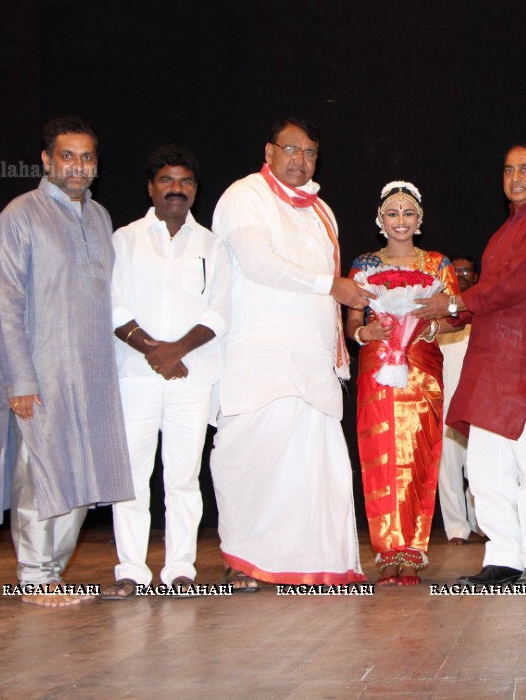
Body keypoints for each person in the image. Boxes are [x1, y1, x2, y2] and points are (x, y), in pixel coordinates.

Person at [211, 117, 373, 588]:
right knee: (252, 462)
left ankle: (315, 563)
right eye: (291, 149)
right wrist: (332, 286)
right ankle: (243, 561)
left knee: (314, 470)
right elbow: (259, 265)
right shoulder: (244, 196)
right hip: (260, 357)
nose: (300, 160)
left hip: (312, 361)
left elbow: (334, 291)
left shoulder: (322, 210)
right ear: (269, 152)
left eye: (310, 153)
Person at [414, 142, 526, 588]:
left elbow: (516, 285)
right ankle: (503, 554)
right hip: (491, 363)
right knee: (486, 467)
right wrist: (446, 316)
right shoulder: (504, 231)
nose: (516, 177)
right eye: (508, 170)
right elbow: (490, 292)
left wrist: (455, 303)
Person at [0, 116, 132, 606]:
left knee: (82, 472)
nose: (78, 166)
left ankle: (53, 571)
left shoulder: (100, 217)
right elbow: (4, 301)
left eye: (87, 157)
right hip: (41, 371)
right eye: (67, 156)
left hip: (92, 371)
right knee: (40, 471)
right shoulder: (20, 215)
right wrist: (19, 378)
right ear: (46, 161)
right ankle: (34, 576)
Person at [102, 145, 231, 599]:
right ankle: (131, 570)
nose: (176, 189)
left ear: (195, 189)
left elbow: (220, 311)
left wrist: (175, 351)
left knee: (181, 477)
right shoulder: (123, 238)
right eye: (166, 180)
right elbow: (111, 302)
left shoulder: (213, 246)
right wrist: (151, 349)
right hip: (134, 376)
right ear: (151, 187)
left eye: (186, 181)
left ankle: (181, 568)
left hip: (191, 378)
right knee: (133, 477)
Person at [345, 181, 459, 586]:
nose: (400, 221)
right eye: (392, 213)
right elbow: (352, 322)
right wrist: (366, 336)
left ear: (420, 220)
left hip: (422, 367)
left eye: (408, 213)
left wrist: (427, 330)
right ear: (380, 220)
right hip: (377, 368)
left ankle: (413, 549)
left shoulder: (438, 265)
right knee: (379, 455)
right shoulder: (362, 266)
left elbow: (456, 315)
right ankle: (385, 551)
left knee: (417, 453)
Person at [436, 253, 483, 544]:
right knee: (449, 467)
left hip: (478, 403)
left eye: (467, 271)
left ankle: (481, 524)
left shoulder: (484, 311)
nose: (462, 275)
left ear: (476, 277)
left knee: (480, 467)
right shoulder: (438, 315)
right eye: (457, 271)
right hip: (445, 401)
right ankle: (456, 529)